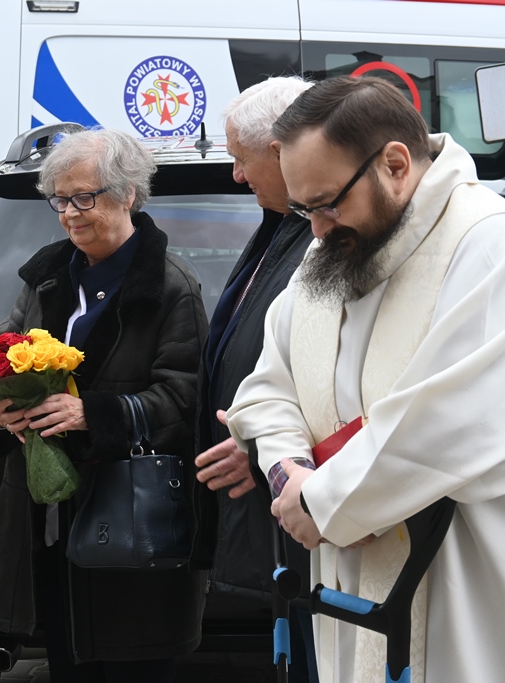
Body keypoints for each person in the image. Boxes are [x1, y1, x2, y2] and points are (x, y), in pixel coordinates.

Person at [226, 76, 505, 683]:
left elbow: (450, 424)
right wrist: (290, 474)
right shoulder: (335, 245)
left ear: (396, 164)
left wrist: (323, 503)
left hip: (455, 582)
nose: (316, 229)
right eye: (303, 210)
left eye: (327, 203)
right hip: (342, 580)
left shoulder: (488, 245)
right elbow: (268, 388)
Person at [0, 128, 208, 682]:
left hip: (129, 524)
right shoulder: (46, 275)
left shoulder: (171, 287)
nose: (69, 214)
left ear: (128, 194)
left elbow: (185, 400)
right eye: (59, 200)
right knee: (68, 662)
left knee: (134, 666)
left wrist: (94, 415)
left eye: (84, 197)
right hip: (51, 525)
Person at [193, 76, 319, 683]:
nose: (237, 176)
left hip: (306, 513)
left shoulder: (319, 236)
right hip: (278, 516)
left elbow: (336, 385)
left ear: (279, 149)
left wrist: (267, 452)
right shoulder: (284, 225)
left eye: (241, 159)